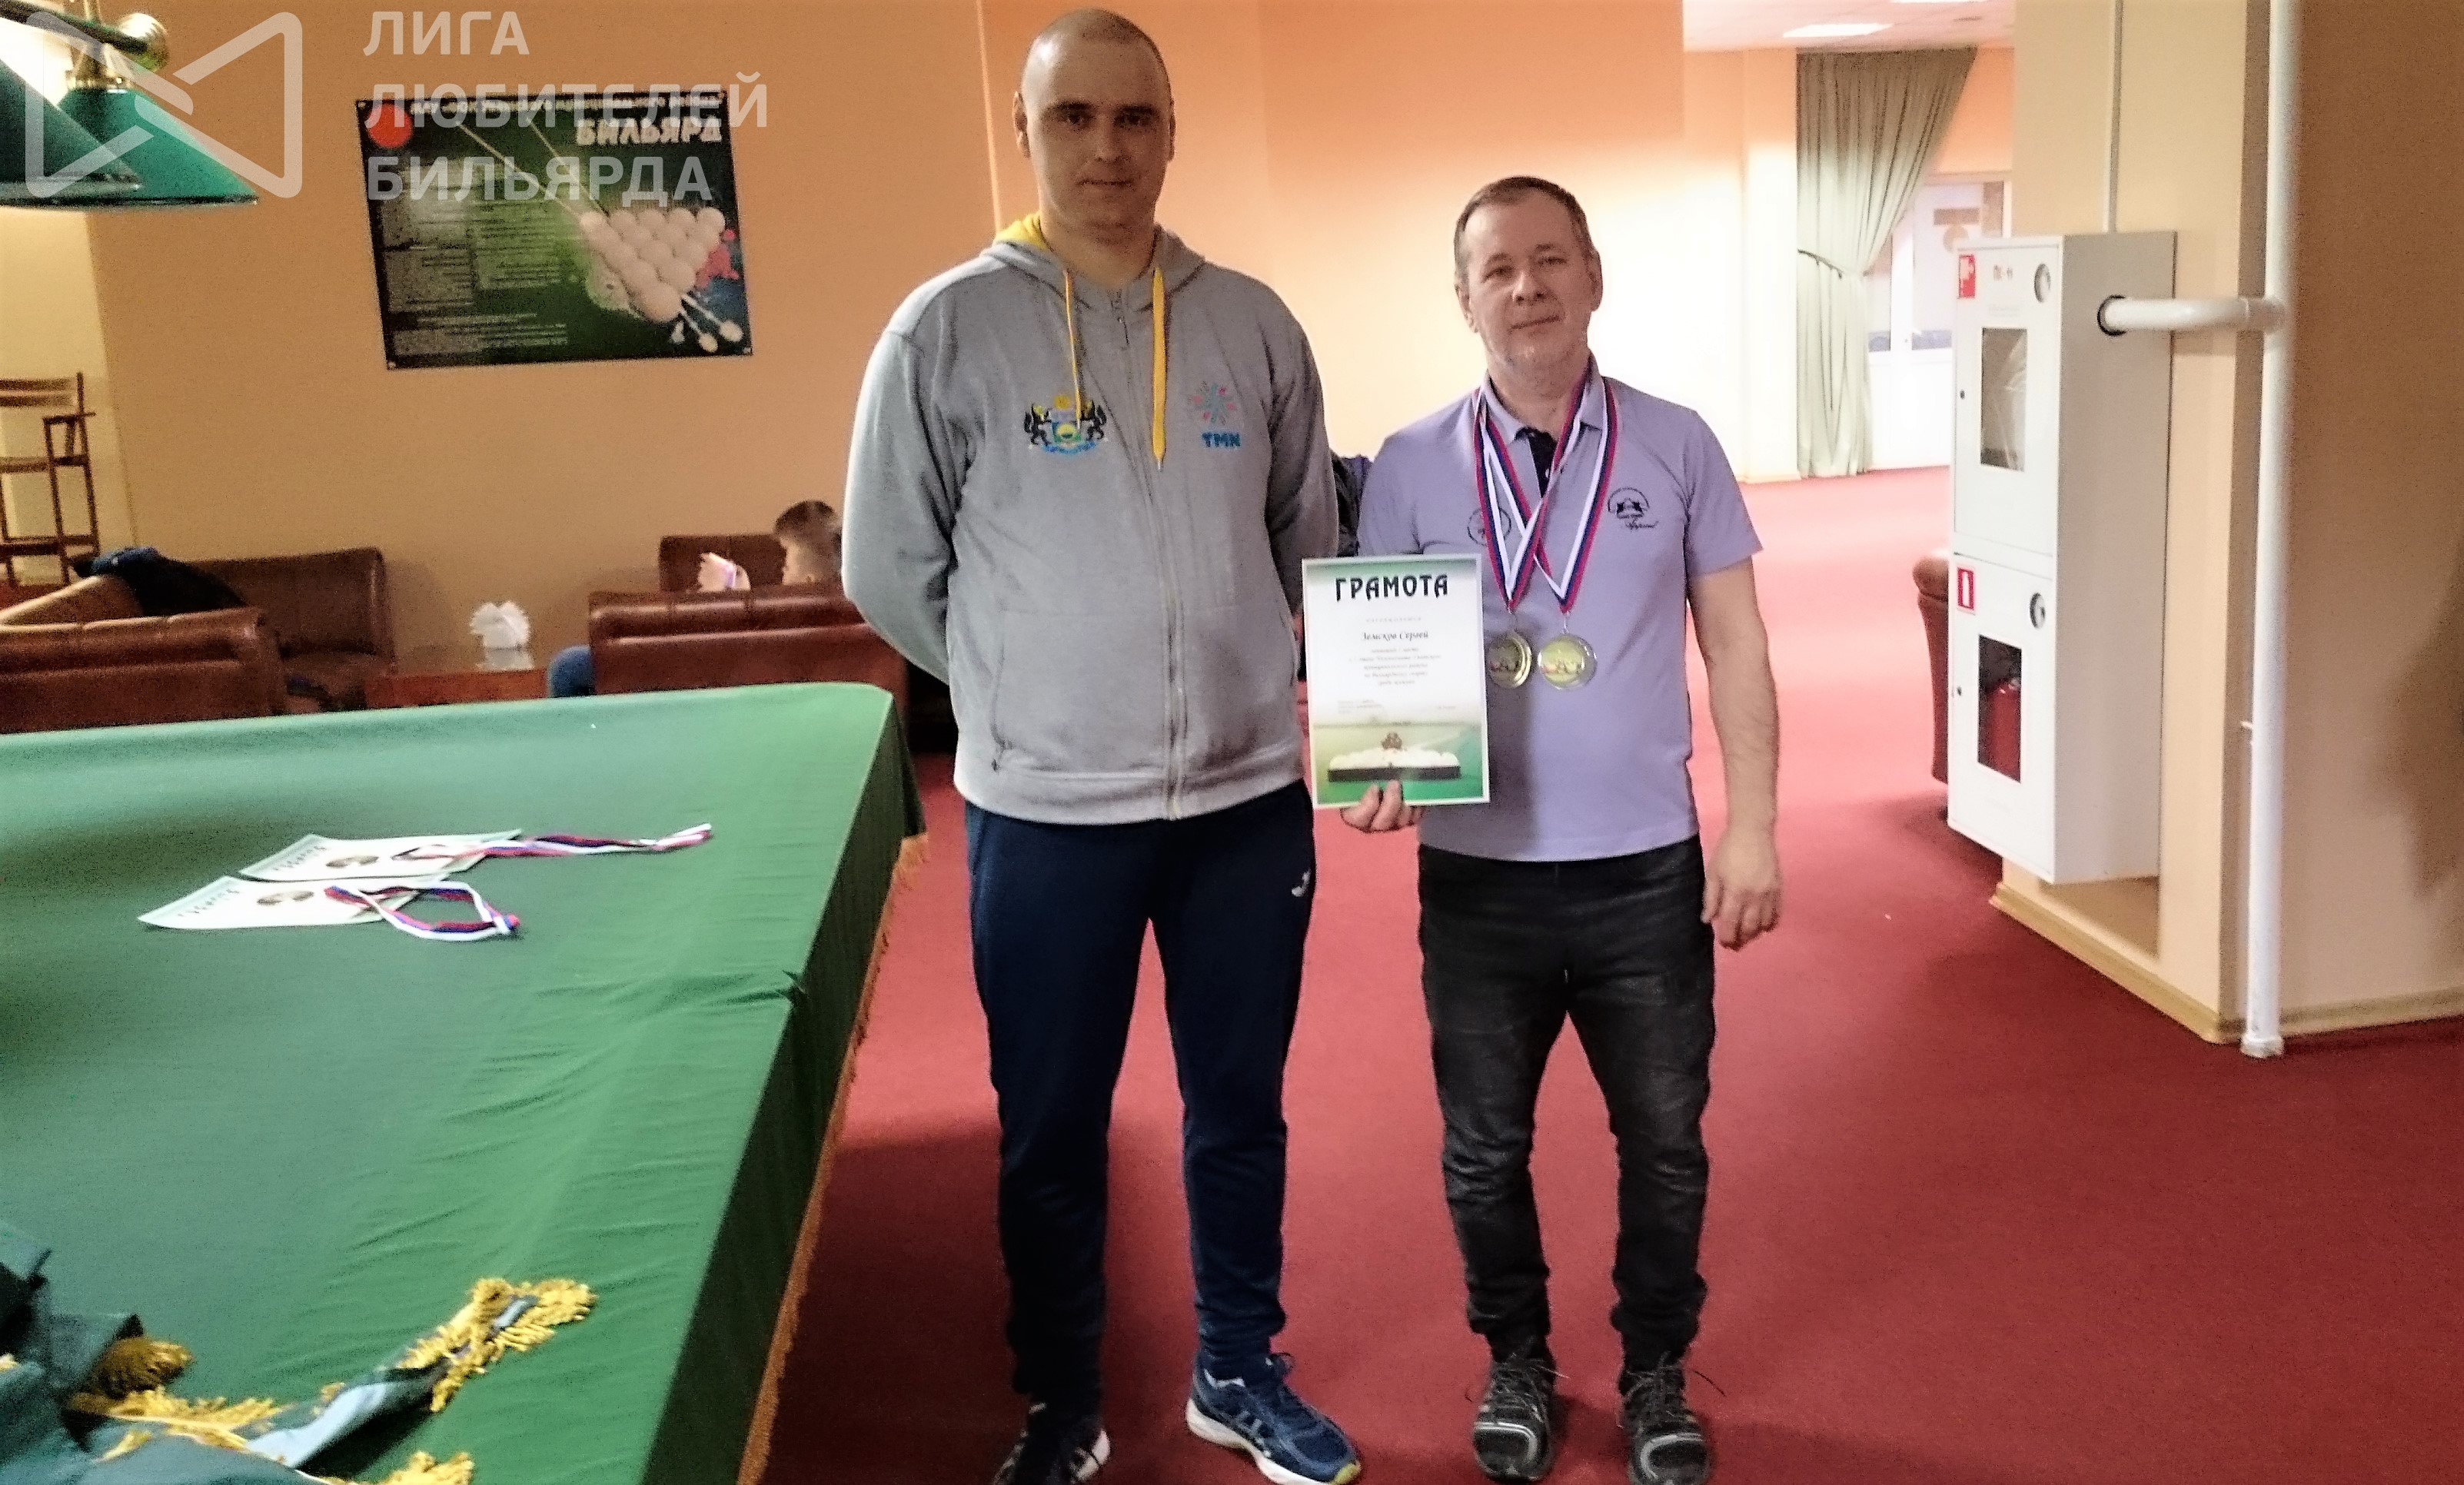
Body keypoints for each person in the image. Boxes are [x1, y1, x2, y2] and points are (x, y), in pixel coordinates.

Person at [840, 12, 1355, 1485]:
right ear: (1027, 132)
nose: (1108, 148)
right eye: (1075, 117)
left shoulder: (1253, 324)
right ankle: (1062, 1397)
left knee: (1239, 1109)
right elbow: (889, 566)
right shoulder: (944, 330)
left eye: (1136, 118)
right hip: (1049, 814)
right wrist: (1025, 687)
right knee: (1051, 1125)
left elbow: (1309, 542)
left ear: (1171, 132)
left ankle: (1238, 1367)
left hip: (1245, 802)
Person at [1343, 177, 1782, 1485]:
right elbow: (1379, 659)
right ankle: (1517, 1357)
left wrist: (1752, 827)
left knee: (1665, 1144)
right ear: (1464, 298)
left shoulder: (1677, 444)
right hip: (1480, 882)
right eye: (1498, 268)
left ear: (1593, 276)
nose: (1526, 286)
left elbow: (1738, 644)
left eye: (1549, 259)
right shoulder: (1410, 462)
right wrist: (1380, 766)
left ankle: (1655, 1370)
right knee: (1484, 1152)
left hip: (1645, 872)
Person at [544, 500, 846, 697]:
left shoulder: (796, 619)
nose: (782, 572)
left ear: (809, 581)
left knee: (568, 666)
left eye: (787, 566)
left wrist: (732, 602)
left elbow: (749, 656)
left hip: (716, 677)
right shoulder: (848, 610)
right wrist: (744, 597)